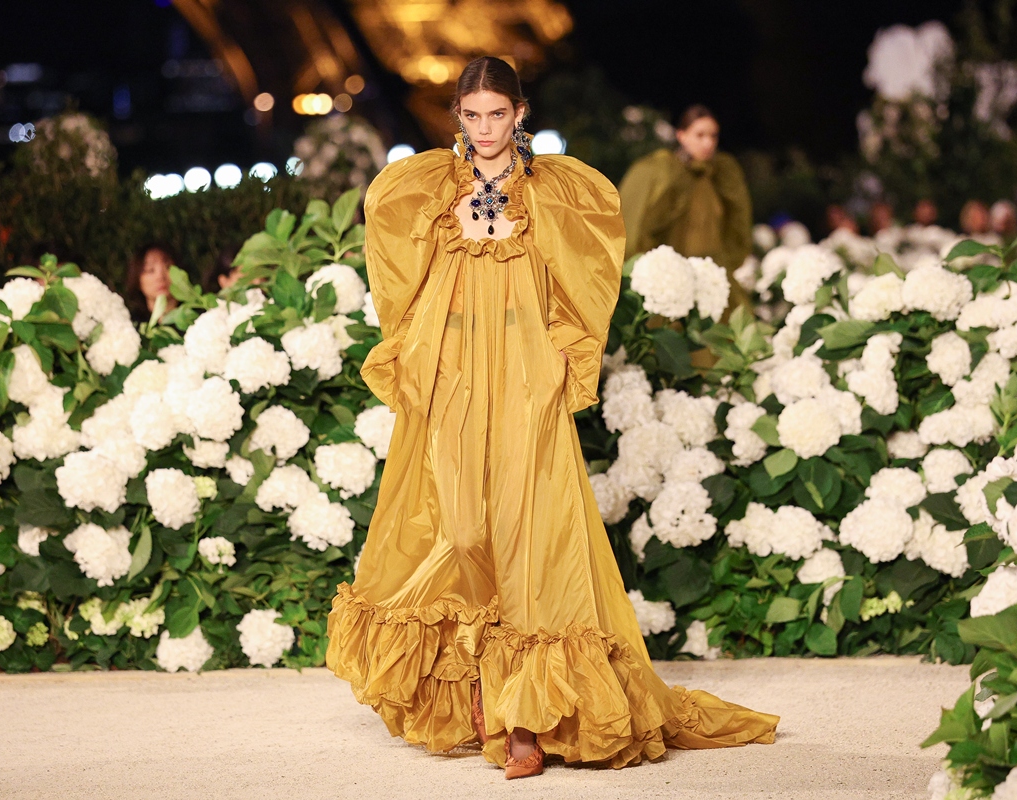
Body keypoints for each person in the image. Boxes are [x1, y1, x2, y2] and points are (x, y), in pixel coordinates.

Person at [325, 55, 778, 781]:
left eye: (497, 114)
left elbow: (583, 288)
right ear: (457, 118)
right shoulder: (428, 188)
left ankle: (523, 719)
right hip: (454, 379)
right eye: (472, 116)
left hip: (525, 381)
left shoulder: (558, 192)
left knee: (528, 543)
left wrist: (563, 360)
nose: (485, 129)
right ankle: (482, 683)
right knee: (461, 532)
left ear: (520, 114)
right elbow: (401, 282)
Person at [618, 105, 753, 316]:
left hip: (711, 280)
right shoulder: (662, 172)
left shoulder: (718, 177)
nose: (708, 143)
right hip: (673, 282)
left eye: (713, 136)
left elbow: (733, 228)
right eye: (700, 135)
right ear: (681, 135)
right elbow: (638, 226)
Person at [125, 242, 178, 323]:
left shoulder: (196, 319)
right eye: (150, 270)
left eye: (168, 267)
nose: (160, 276)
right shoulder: (130, 324)